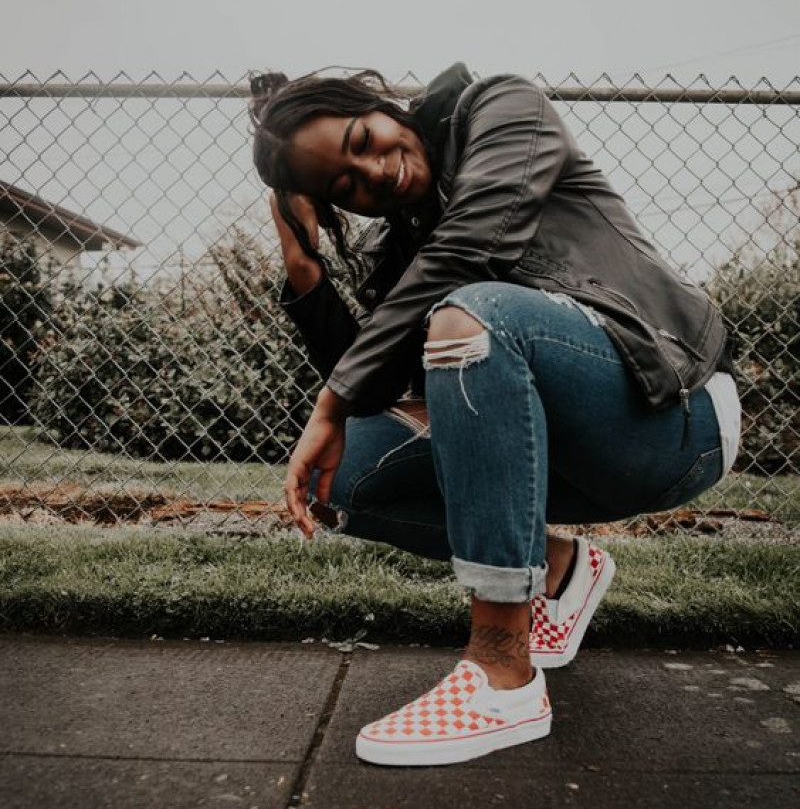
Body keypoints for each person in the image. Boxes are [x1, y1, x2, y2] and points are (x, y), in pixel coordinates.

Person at [250, 62, 741, 769]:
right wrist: (303, 266)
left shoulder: (505, 107)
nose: (374, 173)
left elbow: (475, 243)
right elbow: (379, 381)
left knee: (473, 314)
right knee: (346, 477)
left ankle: (503, 675)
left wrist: (328, 402)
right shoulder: (399, 244)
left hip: (675, 415)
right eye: (343, 186)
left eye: (364, 138)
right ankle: (559, 570)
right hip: (568, 451)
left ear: (380, 104)